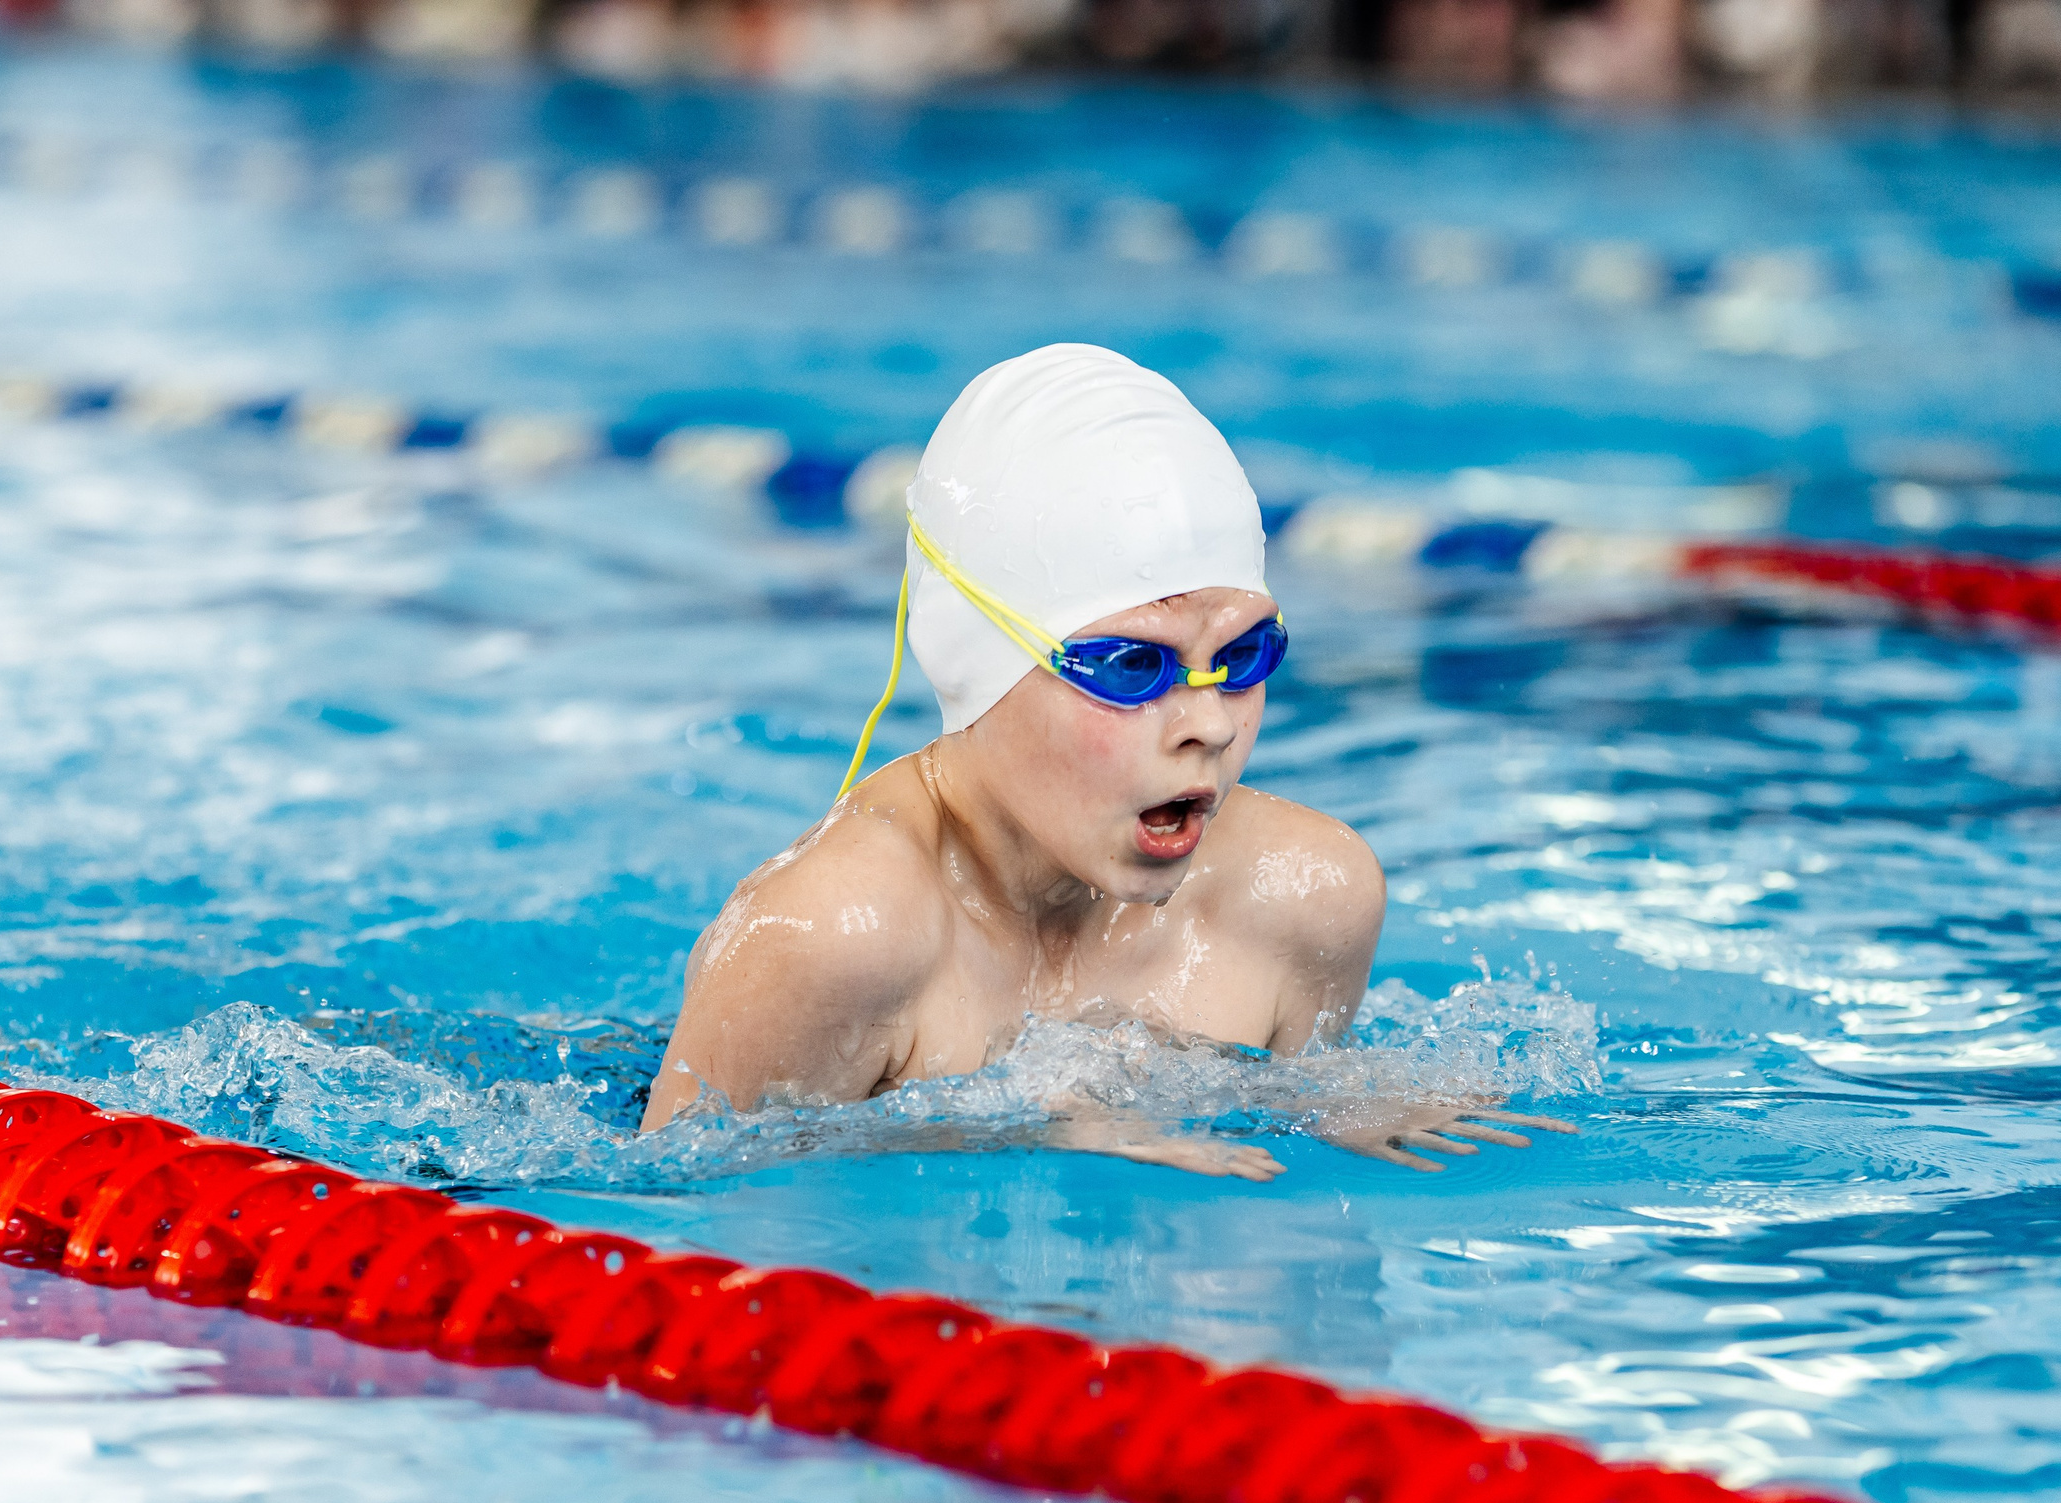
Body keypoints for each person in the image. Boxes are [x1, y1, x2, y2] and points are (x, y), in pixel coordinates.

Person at [639, 344, 1571, 1176]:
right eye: (1132, 666)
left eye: (1242, 656)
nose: (1206, 723)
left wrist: (1318, 1104)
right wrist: (997, 1128)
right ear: (979, 660)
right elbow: (676, 1217)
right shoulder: (833, 936)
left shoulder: (1304, 898)